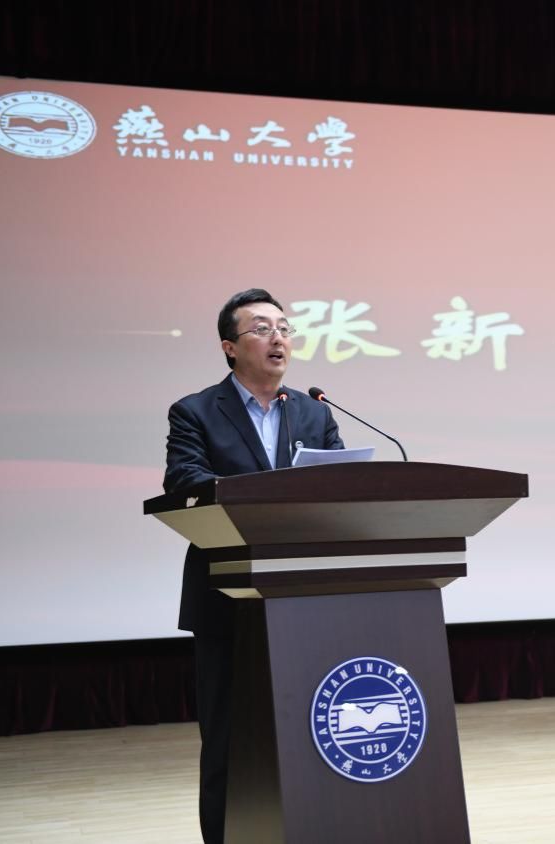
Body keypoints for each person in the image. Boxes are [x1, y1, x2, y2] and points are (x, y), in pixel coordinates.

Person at [164, 289, 343, 843]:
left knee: (306, 731)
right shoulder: (195, 411)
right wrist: (264, 496)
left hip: (303, 598)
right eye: (262, 328)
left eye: (284, 328)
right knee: (227, 739)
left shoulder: (314, 411)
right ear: (230, 347)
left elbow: (341, 482)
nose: (278, 338)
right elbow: (184, 480)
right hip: (227, 597)